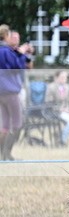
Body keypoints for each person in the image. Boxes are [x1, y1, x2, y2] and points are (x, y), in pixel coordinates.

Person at [0, 24, 33, 160]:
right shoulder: (6, 51)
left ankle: (2, 155)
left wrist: (23, 54)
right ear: (6, 35)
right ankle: (7, 154)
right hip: (10, 92)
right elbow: (18, 67)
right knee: (18, 124)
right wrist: (21, 53)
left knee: (5, 126)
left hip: (1, 93)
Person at [46, 70, 69, 146]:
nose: (64, 79)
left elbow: (66, 102)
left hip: (66, 111)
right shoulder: (51, 87)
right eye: (62, 77)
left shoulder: (66, 87)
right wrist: (60, 109)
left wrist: (68, 109)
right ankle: (62, 141)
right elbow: (48, 102)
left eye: (65, 77)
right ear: (56, 78)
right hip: (56, 111)